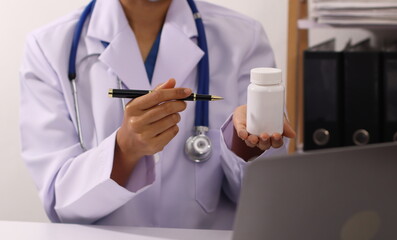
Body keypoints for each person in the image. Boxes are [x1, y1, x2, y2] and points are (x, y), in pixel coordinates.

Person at [19, 0, 295, 230]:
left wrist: (244, 143)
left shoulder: (243, 37)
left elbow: (264, 198)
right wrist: (125, 149)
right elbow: (60, 203)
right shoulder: (48, 47)